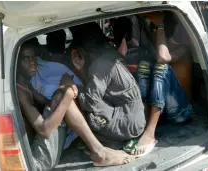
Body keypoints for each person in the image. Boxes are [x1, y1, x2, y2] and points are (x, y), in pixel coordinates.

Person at [16, 40, 135, 170]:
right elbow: (44, 130)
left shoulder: (27, 86)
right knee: (63, 98)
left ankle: (99, 149)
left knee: (60, 96)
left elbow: (47, 103)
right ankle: (100, 152)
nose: (32, 62)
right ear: (15, 63)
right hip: (38, 161)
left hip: (45, 152)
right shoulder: (20, 92)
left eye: (33, 57)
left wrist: (63, 88)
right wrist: (67, 94)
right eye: (25, 59)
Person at [113, 14, 194, 157]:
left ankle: (150, 133)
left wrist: (159, 24)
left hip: (180, 112)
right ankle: (141, 124)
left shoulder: (183, 47)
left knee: (161, 66)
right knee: (144, 65)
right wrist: (144, 21)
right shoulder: (159, 44)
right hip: (160, 113)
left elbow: (163, 58)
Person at [67, 22, 146, 149]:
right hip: (136, 119)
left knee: (74, 95)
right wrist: (81, 69)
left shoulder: (99, 64)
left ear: (82, 49)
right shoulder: (111, 54)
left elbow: (89, 102)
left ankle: (106, 141)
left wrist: (71, 85)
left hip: (127, 123)